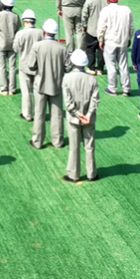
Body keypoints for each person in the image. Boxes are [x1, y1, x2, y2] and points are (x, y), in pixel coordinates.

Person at [61, 49, 100, 182]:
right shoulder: (92, 79)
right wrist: (88, 115)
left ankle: (73, 174)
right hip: (89, 119)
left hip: (73, 118)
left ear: (73, 62)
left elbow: (68, 103)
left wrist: (78, 114)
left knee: (74, 147)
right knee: (89, 146)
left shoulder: (67, 78)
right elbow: (95, 100)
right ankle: (91, 174)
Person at [30, 20, 70, 149]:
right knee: (57, 114)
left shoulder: (37, 46)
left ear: (44, 32)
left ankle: (37, 141)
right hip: (57, 85)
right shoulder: (62, 48)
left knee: (39, 114)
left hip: (40, 85)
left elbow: (31, 65)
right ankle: (57, 141)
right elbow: (68, 67)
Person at [98, 0, 135, 96]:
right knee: (123, 65)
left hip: (110, 41)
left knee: (111, 66)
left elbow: (101, 27)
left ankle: (112, 88)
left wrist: (100, 39)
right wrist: (129, 38)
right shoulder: (126, 9)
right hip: (123, 41)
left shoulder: (105, 10)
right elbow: (131, 26)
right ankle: (126, 89)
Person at [12, 8, 43, 120]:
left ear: (24, 21)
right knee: (37, 91)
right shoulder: (41, 33)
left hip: (24, 65)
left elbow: (15, 49)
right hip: (38, 66)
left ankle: (27, 114)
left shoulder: (20, 33)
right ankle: (38, 113)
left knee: (26, 92)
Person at [0, 0, 20, 95]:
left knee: (2, 66)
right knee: (12, 67)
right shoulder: (15, 16)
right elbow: (17, 31)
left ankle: (4, 88)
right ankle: (12, 89)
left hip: (1, 43)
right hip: (12, 44)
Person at [82, 0, 108, 73]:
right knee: (102, 50)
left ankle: (91, 68)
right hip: (104, 30)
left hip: (91, 29)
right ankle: (100, 68)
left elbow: (84, 14)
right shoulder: (108, 0)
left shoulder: (90, 0)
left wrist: (84, 26)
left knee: (90, 49)